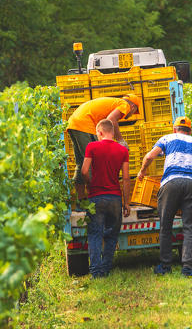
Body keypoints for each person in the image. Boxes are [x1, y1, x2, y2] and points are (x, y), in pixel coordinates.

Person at [137, 116, 192, 278]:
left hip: (171, 182)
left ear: (174, 129)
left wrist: (142, 171)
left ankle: (165, 265)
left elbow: (149, 157)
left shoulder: (167, 138)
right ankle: (187, 267)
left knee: (166, 224)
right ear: (190, 131)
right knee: (190, 227)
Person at [81, 119, 131, 278]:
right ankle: (106, 269)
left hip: (96, 197)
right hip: (115, 198)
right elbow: (126, 178)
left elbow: (83, 171)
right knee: (112, 234)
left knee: (95, 234)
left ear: (100, 132)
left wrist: (89, 184)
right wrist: (127, 202)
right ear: (113, 131)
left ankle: (96, 272)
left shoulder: (92, 147)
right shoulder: (122, 150)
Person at [67, 94, 141, 201]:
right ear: (133, 107)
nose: (131, 114)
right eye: (134, 112)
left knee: (82, 163)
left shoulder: (114, 102)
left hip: (74, 123)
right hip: (84, 124)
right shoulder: (124, 104)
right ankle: (96, 197)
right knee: (94, 162)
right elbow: (111, 119)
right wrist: (120, 140)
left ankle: (81, 200)